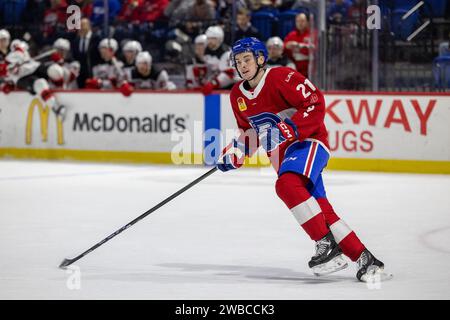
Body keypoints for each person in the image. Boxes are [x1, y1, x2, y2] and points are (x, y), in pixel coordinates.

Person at [216, 37, 388, 282]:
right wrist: (235, 153)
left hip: (308, 142)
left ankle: (326, 246)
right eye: (238, 61)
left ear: (261, 59)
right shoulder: (237, 96)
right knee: (322, 212)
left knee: (286, 185)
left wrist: (290, 128)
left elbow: (315, 102)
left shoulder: (282, 77)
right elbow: (250, 133)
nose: (242, 65)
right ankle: (366, 259)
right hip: (283, 157)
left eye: (247, 59)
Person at [0, 40, 67, 120]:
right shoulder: (8, 60)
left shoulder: (23, 54)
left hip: (34, 67)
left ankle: (62, 89)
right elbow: (6, 80)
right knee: (40, 84)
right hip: (22, 78)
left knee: (55, 70)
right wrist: (8, 70)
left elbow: (21, 48)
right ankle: (56, 108)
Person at [201, 25, 236, 95]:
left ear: (220, 39)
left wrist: (213, 83)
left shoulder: (227, 53)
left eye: (213, 38)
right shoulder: (206, 51)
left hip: (229, 88)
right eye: (208, 38)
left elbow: (229, 74)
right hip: (214, 86)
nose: (210, 41)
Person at [283, 12, 313, 77]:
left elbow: (315, 48)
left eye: (302, 21)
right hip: (294, 70)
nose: (300, 23)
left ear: (308, 22)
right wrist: (287, 46)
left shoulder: (312, 34)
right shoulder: (291, 35)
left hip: (310, 70)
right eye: (297, 21)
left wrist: (299, 46)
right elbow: (283, 47)